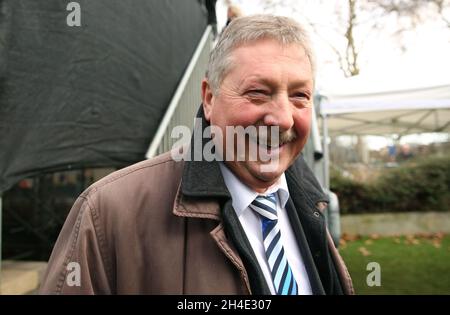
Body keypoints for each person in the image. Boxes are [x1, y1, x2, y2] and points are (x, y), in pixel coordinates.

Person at [40, 15, 354, 295]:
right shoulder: (107, 213)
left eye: (300, 95)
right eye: (258, 92)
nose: (283, 118)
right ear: (208, 98)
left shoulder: (307, 202)